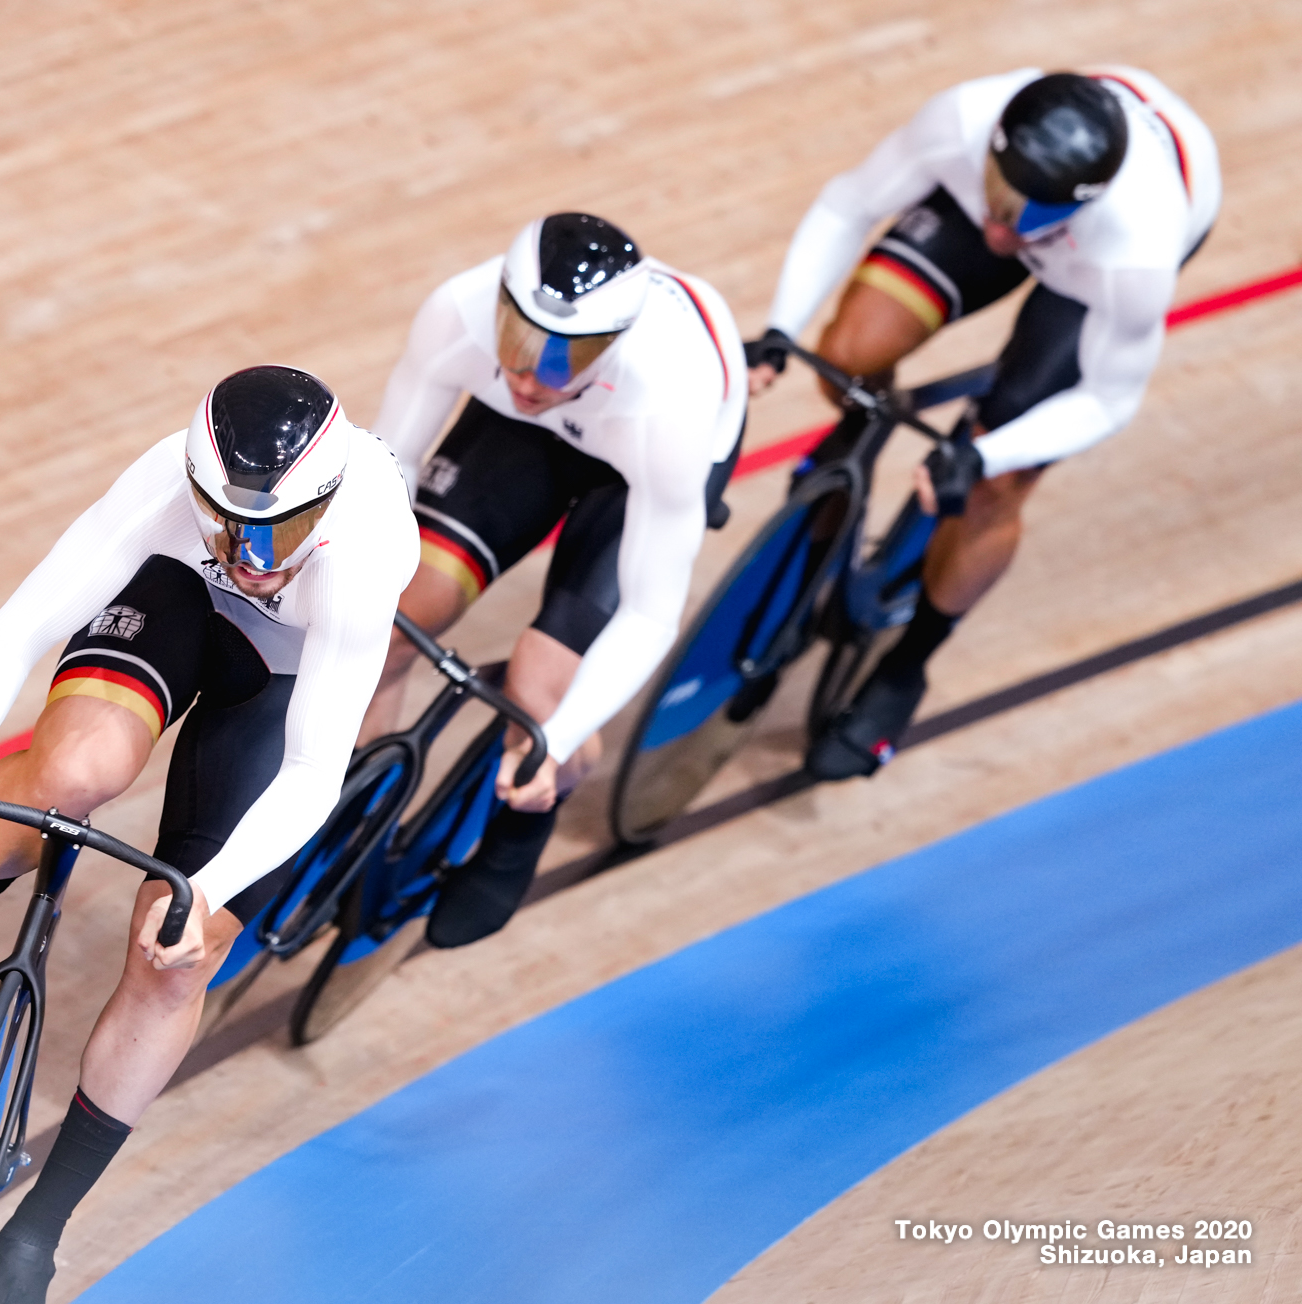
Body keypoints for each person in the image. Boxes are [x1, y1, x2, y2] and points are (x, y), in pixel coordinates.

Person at [0, 365, 417, 1304]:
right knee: (73, 774)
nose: (248, 552)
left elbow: (314, 770)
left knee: (174, 957)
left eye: (275, 531)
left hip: (276, 687)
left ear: (321, 505)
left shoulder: (369, 541)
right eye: (226, 520)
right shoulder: (167, 477)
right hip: (173, 607)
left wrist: (208, 888)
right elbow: (14, 633)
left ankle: (39, 1231)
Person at [749, 67, 1220, 778]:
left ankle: (908, 665)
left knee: (999, 483)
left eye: (1031, 217)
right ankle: (854, 454)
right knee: (846, 355)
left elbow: (1108, 401)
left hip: (1087, 274)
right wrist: (782, 325)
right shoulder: (963, 122)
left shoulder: (1137, 244)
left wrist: (989, 456)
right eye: (1001, 198)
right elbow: (847, 205)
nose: (1005, 228)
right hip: (1041, 206)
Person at [364, 212, 747, 945]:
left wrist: (558, 735)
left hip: (634, 461)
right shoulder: (459, 312)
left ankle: (519, 833)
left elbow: (649, 615)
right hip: (530, 437)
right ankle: (349, 811)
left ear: (612, 347)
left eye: (560, 359)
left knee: (541, 691)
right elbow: (393, 464)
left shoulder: (670, 406)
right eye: (517, 342)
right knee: (393, 622)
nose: (529, 376)